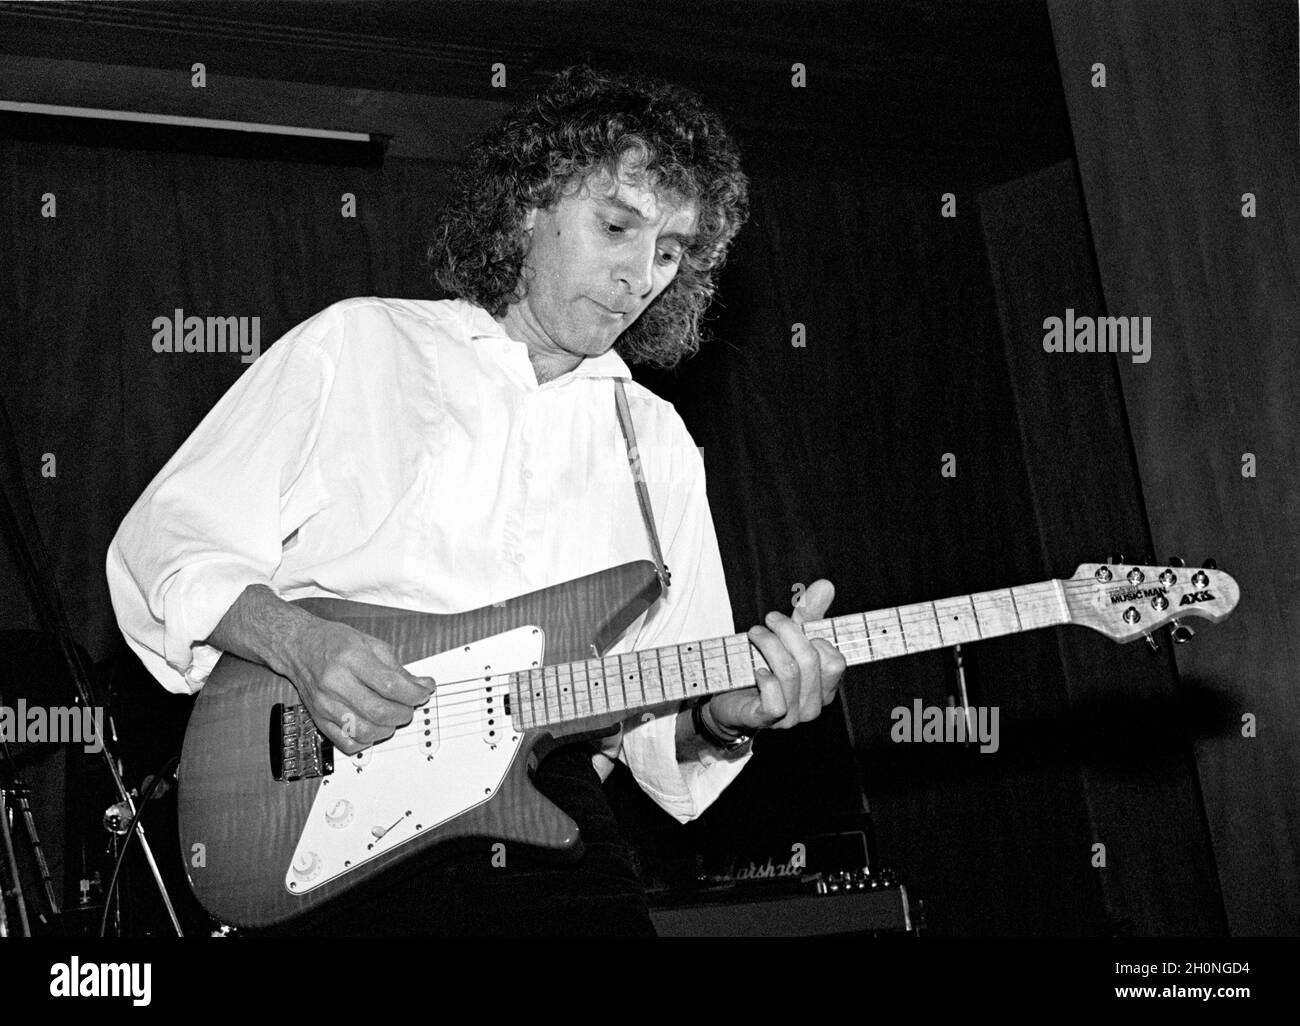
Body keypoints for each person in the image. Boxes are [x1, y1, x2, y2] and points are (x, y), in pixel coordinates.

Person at [107, 64, 846, 936]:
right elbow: (169, 542)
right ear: (530, 204)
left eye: (672, 250)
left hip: (550, 821)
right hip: (330, 788)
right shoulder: (363, 341)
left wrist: (730, 718)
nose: (641, 274)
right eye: (617, 226)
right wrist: (299, 643)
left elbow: (664, 725)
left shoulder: (659, 446)